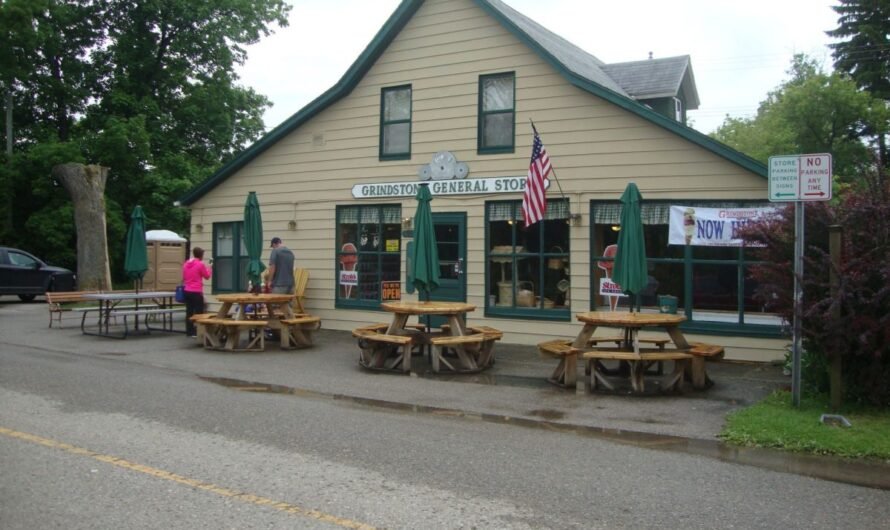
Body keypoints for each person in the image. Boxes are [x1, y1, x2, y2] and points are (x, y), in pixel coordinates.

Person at [182, 246, 212, 337]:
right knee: (199, 312)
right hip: (196, 291)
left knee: (189, 312)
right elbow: (207, 276)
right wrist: (210, 267)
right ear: (201, 255)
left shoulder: (186, 264)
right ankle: (199, 331)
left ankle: (189, 331)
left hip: (187, 290)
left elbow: (184, 276)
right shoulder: (200, 264)